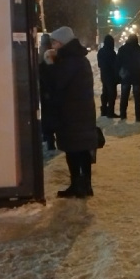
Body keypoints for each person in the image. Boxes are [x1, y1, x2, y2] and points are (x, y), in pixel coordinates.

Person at [47, 26, 98, 198]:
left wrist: (50, 65)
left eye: (54, 42)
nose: (53, 45)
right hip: (81, 111)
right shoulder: (79, 59)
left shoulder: (69, 61)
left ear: (62, 42)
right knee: (82, 149)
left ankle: (78, 186)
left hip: (72, 113)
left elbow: (58, 83)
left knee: (74, 150)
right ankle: (85, 185)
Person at [116, 34, 140, 122]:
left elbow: (117, 64)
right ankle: (138, 116)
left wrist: (118, 76)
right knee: (137, 97)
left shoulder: (122, 49)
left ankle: (123, 115)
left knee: (124, 96)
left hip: (126, 76)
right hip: (137, 77)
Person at [38, 33, 57, 150]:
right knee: (53, 115)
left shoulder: (40, 53)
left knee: (46, 116)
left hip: (44, 91)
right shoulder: (53, 53)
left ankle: (48, 138)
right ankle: (50, 139)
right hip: (53, 90)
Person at [97, 35, 119, 118]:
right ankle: (110, 112)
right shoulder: (111, 52)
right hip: (111, 76)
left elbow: (99, 64)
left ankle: (103, 110)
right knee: (112, 94)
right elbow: (115, 65)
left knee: (105, 93)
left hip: (104, 75)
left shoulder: (101, 51)